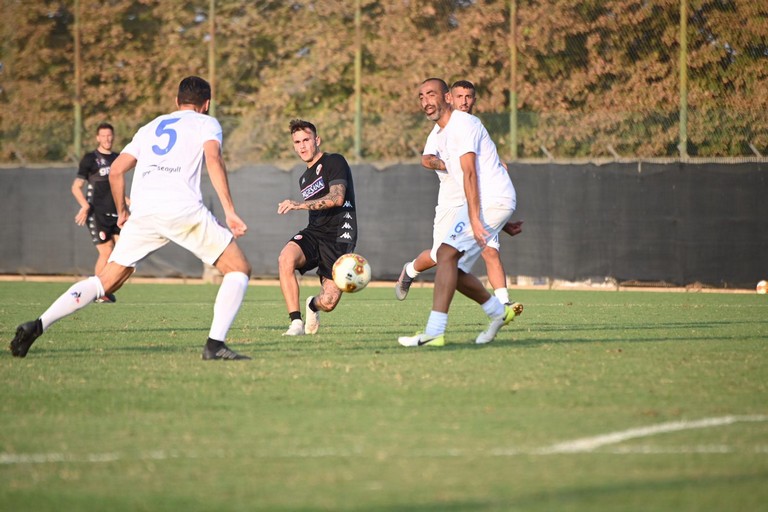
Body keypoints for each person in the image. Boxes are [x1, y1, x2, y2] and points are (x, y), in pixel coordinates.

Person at [10, 76, 252, 360]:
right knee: (238, 269)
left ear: (177, 101)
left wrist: (124, 213)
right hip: (180, 208)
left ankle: (38, 324)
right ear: (206, 104)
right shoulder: (206, 123)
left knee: (105, 281)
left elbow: (115, 171)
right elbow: (213, 159)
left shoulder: (150, 127)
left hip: (144, 212)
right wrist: (230, 211)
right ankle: (215, 345)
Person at [398, 78, 522, 347]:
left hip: (491, 199)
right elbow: (438, 164)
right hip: (492, 202)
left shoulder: (464, 124)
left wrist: (478, 218)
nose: (426, 101)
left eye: (431, 94)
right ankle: (499, 313)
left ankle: (434, 331)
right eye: (421, 97)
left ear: (447, 97)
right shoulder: (441, 134)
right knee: (449, 265)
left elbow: (470, 173)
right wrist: (503, 221)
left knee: (445, 255)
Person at [277, 119, 357, 336]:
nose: (302, 146)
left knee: (329, 301)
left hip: (339, 235)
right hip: (314, 232)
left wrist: (298, 205)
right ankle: (295, 323)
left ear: (317, 140)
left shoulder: (334, 161)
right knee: (285, 259)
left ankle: (312, 305)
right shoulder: (304, 178)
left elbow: (337, 198)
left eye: (306, 140)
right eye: (297, 142)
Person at [72, 122, 121, 303]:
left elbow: (117, 186)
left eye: (110, 135)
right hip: (96, 213)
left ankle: (105, 287)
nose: (107, 139)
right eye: (103, 136)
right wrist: (85, 205)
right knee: (106, 251)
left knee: (121, 252)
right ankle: (98, 293)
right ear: (97, 138)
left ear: (113, 136)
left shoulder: (118, 158)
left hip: (116, 213)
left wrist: (127, 201)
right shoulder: (90, 158)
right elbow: (76, 187)